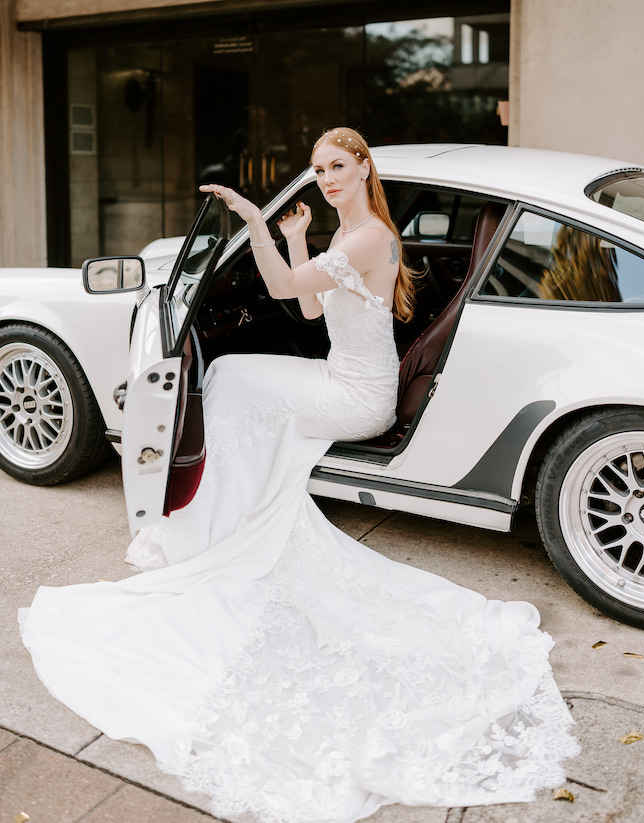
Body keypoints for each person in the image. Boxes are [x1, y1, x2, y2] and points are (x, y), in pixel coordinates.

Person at [20, 127, 578, 823]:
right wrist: (297, 232)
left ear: (364, 165)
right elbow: (309, 308)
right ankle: (223, 511)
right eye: (318, 170)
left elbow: (285, 289)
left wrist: (254, 220)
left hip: (356, 397)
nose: (327, 178)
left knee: (227, 374)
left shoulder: (370, 235)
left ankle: (214, 521)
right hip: (344, 377)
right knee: (235, 377)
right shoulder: (352, 231)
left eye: (337, 166)